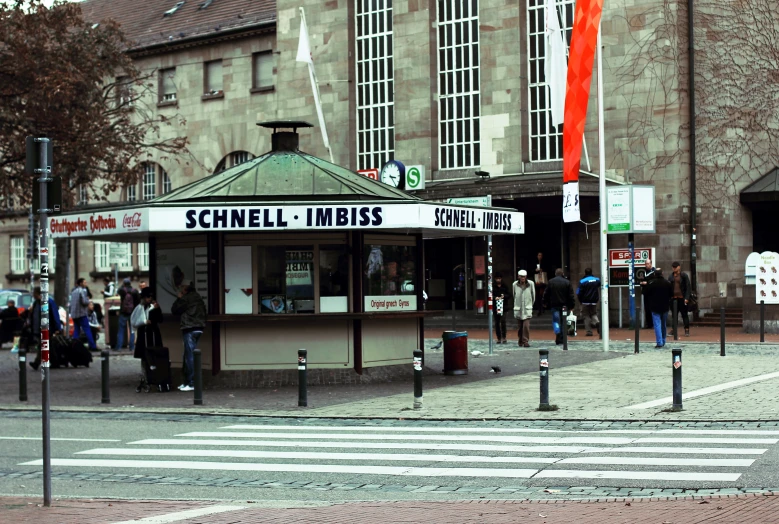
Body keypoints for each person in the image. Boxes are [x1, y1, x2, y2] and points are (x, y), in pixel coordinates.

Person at [171, 283, 206, 392]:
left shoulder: (186, 298)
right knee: (188, 355)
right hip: (199, 327)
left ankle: (190, 383)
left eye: (181, 288)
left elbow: (175, 310)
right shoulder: (198, 297)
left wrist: (178, 298)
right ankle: (187, 382)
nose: (180, 290)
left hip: (189, 328)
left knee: (189, 356)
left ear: (185, 290)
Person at [28, 287, 63, 370]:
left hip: (47, 327)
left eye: (34, 293)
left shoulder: (49, 302)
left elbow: (55, 315)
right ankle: (55, 362)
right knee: (48, 346)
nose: (33, 295)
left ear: (38, 294)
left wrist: (57, 328)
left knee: (43, 345)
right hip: (39, 328)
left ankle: (37, 363)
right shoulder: (36, 303)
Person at [543, 268, 575, 345]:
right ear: (562, 273)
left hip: (554, 305)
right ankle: (563, 337)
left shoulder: (551, 282)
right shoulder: (567, 282)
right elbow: (571, 295)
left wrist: (544, 302)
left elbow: (546, 293)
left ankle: (557, 333)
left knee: (556, 321)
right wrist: (572, 305)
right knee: (564, 321)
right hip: (564, 305)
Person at [645, 268, 673, 348]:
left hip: (654, 306)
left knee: (657, 324)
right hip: (665, 306)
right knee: (663, 324)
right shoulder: (667, 283)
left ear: (654, 274)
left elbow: (645, 293)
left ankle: (659, 342)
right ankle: (663, 340)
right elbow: (671, 294)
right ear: (662, 273)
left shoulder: (651, 283)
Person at [70, 277, 96, 350]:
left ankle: (74, 346)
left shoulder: (74, 291)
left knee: (76, 331)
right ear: (80, 283)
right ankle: (92, 346)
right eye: (84, 282)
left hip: (74, 314)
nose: (86, 284)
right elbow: (84, 302)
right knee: (87, 330)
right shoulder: (82, 291)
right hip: (81, 314)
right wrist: (89, 301)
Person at [512, 269, 535, 347]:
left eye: (524, 277)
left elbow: (533, 295)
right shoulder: (514, 284)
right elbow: (514, 295)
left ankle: (525, 341)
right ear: (518, 277)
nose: (523, 278)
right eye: (521, 277)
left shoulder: (531, 284)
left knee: (526, 325)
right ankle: (520, 340)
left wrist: (530, 304)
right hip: (518, 308)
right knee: (520, 326)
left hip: (527, 308)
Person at [668, 261, 692, 337]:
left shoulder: (684, 276)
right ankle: (674, 329)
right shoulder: (671, 276)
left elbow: (688, 287)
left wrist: (687, 297)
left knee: (684, 314)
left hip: (682, 298)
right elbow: (669, 287)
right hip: (673, 298)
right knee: (674, 315)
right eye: (673, 267)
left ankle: (687, 329)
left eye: (675, 267)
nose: (674, 268)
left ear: (679, 267)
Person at [117, 278, 139, 351]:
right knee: (132, 331)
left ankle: (119, 347)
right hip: (132, 313)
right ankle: (131, 347)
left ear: (124, 283)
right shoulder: (135, 291)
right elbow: (137, 302)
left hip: (123, 312)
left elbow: (118, 290)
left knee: (121, 330)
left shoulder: (122, 290)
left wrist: (122, 286)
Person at [577, 268, 601, 336]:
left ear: (585, 273)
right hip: (594, 300)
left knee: (586, 316)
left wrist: (580, 301)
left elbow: (579, 292)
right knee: (593, 313)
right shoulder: (597, 280)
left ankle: (589, 331)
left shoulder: (582, 281)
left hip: (585, 301)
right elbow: (599, 286)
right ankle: (597, 322)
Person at [492, 272, 511, 344]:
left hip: (504, 306)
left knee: (503, 321)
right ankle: (499, 337)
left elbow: (509, 295)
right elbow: (489, 295)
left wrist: (504, 296)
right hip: (495, 306)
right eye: (497, 279)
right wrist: (495, 298)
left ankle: (504, 336)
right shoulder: (493, 286)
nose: (498, 280)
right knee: (497, 322)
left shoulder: (505, 286)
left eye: (499, 278)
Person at [639, 259, 657, 329]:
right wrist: (641, 283)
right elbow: (641, 280)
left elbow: (654, 281)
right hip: (646, 292)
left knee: (653, 308)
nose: (647, 265)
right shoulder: (644, 272)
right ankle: (649, 323)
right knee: (647, 308)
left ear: (651, 264)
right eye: (646, 264)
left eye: (648, 263)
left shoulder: (654, 272)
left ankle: (653, 323)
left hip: (652, 293)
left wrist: (647, 283)